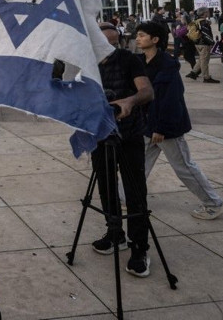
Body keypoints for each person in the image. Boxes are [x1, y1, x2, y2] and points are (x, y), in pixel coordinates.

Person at [134, 22, 223, 220]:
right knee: (138, 164)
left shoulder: (166, 65)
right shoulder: (142, 62)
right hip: (148, 125)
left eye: (142, 35)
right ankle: (127, 198)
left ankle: (213, 203)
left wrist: (161, 128)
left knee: (184, 167)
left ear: (155, 40)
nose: (137, 38)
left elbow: (170, 100)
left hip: (165, 128)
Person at [91, 23, 154, 277]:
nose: (108, 48)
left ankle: (140, 248)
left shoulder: (128, 60)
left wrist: (130, 100)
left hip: (129, 135)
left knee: (135, 191)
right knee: (106, 186)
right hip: (98, 134)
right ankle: (114, 232)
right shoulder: (86, 62)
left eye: (112, 43)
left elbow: (147, 91)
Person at [186, 7, 219, 83]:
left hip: (197, 43)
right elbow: (205, 34)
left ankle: (193, 72)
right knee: (205, 61)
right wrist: (212, 42)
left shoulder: (196, 21)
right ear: (204, 13)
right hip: (204, 43)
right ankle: (206, 77)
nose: (209, 13)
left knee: (201, 59)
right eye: (207, 12)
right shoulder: (204, 22)